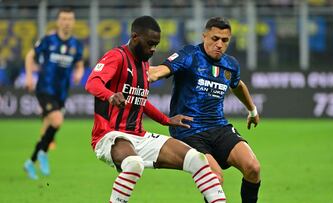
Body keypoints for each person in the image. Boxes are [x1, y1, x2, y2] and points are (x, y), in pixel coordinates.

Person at [85, 16, 226, 203]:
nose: (153, 49)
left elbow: (141, 101)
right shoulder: (116, 56)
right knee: (134, 164)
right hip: (108, 135)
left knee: (197, 159)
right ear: (135, 37)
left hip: (138, 136)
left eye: (156, 45)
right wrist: (110, 95)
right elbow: (92, 83)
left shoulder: (144, 64)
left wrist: (167, 120)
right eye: (150, 44)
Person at [150, 17, 261, 203]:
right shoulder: (189, 55)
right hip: (188, 130)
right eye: (214, 38)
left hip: (218, 127)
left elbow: (238, 85)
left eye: (224, 41)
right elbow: (159, 71)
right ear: (204, 36)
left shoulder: (230, 64)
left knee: (253, 167)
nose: (219, 44)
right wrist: (143, 74)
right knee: (215, 178)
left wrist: (252, 110)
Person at [23, 8, 84, 180]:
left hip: (61, 92)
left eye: (69, 19)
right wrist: (29, 77)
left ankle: (31, 162)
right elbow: (30, 56)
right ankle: (43, 153)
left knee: (47, 129)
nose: (66, 22)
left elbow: (79, 63)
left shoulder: (76, 45)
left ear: (73, 22)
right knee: (57, 120)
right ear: (58, 21)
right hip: (45, 89)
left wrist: (79, 72)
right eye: (63, 19)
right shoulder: (48, 40)